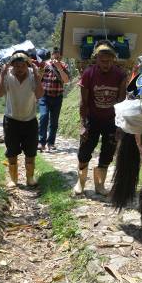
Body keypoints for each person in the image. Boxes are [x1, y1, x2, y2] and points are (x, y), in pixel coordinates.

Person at [73, 40, 127, 196]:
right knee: (84, 152)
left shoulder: (120, 75)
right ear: (96, 59)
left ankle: (100, 185)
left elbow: (121, 102)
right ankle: (80, 183)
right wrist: (83, 124)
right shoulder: (88, 74)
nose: (106, 64)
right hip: (92, 118)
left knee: (108, 153)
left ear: (113, 60)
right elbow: (83, 102)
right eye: (103, 61)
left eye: (109, 61)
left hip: (111, 120)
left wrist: (119, 126)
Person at [0, 51, 45, 188]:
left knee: (31, 151)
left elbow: (40, 94)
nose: (20, 69)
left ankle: (30, 178)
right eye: (16, 66)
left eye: (22, 65)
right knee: (11, 151)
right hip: (11, 119)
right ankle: (13, 179)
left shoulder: (32, 74)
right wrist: (2, 73)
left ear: (27, 65)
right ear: (12, 66)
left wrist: (36, 75)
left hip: (30, 120)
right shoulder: (8, 74)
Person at [38, 47, 70, 151]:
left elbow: (66, 80)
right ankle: (41, 142)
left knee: (54, 121)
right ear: (51, 54)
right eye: (55, 53)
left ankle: (51, 143)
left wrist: (59, 68)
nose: (57, 55)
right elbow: (38, 78)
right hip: (44, 95)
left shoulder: (64, 66)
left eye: (59, 54)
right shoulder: (45, 64)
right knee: (43, 117)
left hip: (57, 96)